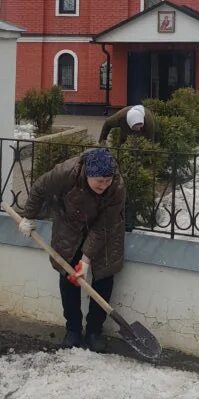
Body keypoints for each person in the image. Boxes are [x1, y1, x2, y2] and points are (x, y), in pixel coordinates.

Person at [14, 147, 125, 352]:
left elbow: (103, 226)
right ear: (88, 174)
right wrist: (28, 217)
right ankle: (73, 329)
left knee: (104, 276)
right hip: (69, 225)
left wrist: (86, 259)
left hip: (104, 231)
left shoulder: (116, 186)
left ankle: (94, 332)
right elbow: (39, 188)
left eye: (107, 180)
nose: (104, 185)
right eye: (99, 181)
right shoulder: (66, 172)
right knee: (68, 275)